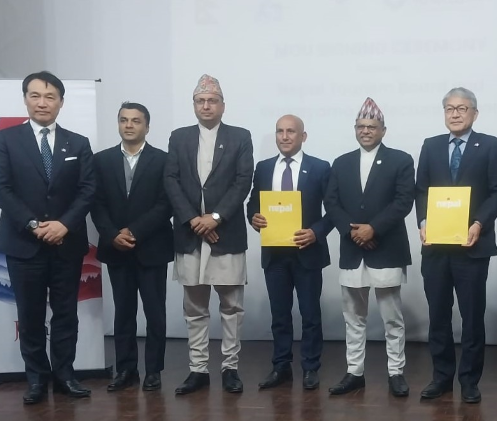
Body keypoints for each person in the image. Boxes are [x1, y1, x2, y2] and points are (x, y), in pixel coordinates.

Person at [0, 71, 96, 404]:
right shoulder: (5, 140)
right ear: (25, 99)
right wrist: (34, 224)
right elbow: (0, 189)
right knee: (31, 316)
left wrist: (64, 225)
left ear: (61, 102)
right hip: (23, 243)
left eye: (50, 97)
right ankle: (36, 379)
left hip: (67, 243)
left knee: (65, 314)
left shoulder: (78, 143)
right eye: (35, 95)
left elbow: (88, 189)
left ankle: (65, 376)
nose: (42, 102)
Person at [415, 87, 497, 404]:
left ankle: (469, 380)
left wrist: (479, 223)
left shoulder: (490, 145)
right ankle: (441, 377)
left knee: (472, 317)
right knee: (438, 316)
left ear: (474, 113)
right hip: (436, 248)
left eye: (462, 108)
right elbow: (421, 190)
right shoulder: (431, 145)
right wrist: (423, 222)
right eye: (449, 109)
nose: (455, 114)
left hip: (472, 246)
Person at [164, 74, 254, 395]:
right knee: (195, 308)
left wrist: (215, 218)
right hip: (190, 236)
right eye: (200, 101)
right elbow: (171, 180)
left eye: (212, 101)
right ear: (193, 105)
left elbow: (243, 181)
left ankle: (230, 368)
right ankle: (198, 370)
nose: (206, 106)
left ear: (222, 106)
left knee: (231, 307)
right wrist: (193, 220)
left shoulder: (240, 136)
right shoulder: (179, 137)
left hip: (226, 234)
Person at [324, 97, 415, 397]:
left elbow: (403, 201)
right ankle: (355, 372)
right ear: (355, 129)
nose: (366, 131)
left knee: (392, 318)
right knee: (353, 318)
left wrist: (373, 228)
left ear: (383, 131)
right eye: (361, 126)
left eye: (372, 126)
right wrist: (353, 232)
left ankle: (396, 373)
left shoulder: (401, 160)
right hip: (353, 251)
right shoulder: (341, 162)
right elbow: (331, 202)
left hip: (386, 249)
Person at [91, 102, 173, 392]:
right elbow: (96, 203)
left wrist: (135, 231)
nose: (129, 125)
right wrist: (112, 234)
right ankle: (126, 369)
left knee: (155, 313)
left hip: (152, 247)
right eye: (124, 120)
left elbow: (166, 204)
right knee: (123, 312)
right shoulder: (101, 160)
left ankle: (153, 371)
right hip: (116, 248)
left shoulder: (164, 160)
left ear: (147, 127)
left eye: (136, 121)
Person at [247, 115, 333, 391]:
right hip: (275, 254)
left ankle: (310, 367)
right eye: (280, 131)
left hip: (307, 252)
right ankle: (281, 366)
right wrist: (254, 218)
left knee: (310, 315)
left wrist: (316, 232)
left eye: (291, 132)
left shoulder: (320, 168)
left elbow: (334, 210)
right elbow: (253, 205)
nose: (284, 137)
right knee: (279, 315)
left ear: (303, 136)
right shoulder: (263, 168)